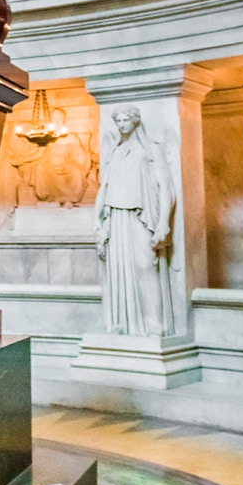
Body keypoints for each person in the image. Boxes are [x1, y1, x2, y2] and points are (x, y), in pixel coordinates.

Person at [95, 105, 175, 336]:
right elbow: (104, 188)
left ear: (135, 121)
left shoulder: (149, 150)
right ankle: (121, 323)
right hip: (115, 217)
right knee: (119, 270)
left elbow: (165, 187)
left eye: (125, 120)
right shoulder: (114, 151)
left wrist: (163, 223)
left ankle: (154, 325)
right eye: (118, 120)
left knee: (145, 266)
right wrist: (97, 222)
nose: (121, 125)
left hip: (141, 217)